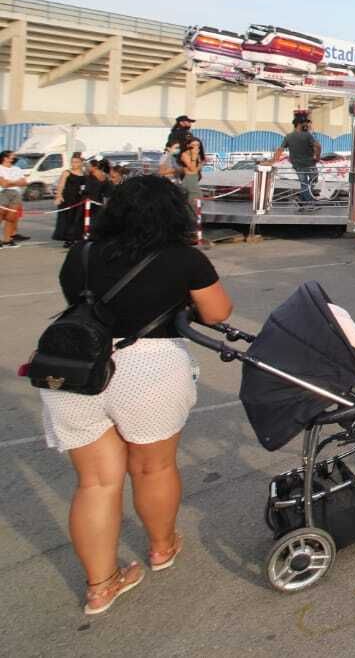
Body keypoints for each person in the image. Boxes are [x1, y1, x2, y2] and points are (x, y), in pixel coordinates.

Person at [34, 175, 233, 615]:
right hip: (149, 366)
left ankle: (100, 586)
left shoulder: (81, 253)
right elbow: (218, 313)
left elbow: (82, 303)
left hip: (75, 365)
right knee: (152, 467)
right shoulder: (184, 259)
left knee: (96, 482)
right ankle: (162, 547)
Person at [266, 111, 321, 205]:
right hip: (310, 164)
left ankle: (303, 199)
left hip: (297, 165)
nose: (307, 125)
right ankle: (310, 201)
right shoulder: (308, 135)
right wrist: (317, 157)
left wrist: (272, 161)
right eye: (305, 123)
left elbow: (280, 150)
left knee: (304, 183)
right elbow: (318, 146)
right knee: (313, 180)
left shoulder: (288, 136)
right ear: (299, 124)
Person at [54, 153, 90, 247]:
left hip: (79, 199)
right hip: (68, 198)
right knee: (68, 219)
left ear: (81, 163)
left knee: (77, 219)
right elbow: (61, 185)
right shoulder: (67, 172)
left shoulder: (85, 174)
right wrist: (59, 196)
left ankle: (76, 237)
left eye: (76, 162)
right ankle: (68, 239)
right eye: (72, 162)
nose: (73, 164)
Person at [1, 149, 29, 246]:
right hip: (3, 193)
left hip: (16, 194)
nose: (14, 158)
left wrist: (10, 182)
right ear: (5, 158)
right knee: (0, 216)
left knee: (11, 218)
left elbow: (25, 182)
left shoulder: (17, 169)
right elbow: (3, 184)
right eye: (12, 156)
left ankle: (7, 240)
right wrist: (17, 182)